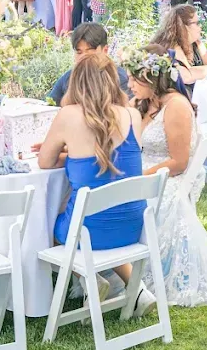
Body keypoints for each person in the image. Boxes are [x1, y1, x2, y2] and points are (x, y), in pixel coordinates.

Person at [37, 52, 156, 315]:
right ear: (113, 81)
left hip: (88, 232)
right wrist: (75, 155)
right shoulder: (132, 115)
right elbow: (111, 157)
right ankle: (136, 290)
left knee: (49, 222)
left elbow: (44, 162)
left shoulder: (68, 114)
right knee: (96, 216)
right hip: (131, 227)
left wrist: (66, 154)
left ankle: (91, 280)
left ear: (77, 82)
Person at [127, 46, 207, 308]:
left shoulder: (176, 105)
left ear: (152, 77)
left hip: (168, 174)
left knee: (144, 199)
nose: (129, 84)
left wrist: (141, 176)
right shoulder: (138, 103)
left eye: (135, 78)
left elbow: (178, 162)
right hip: (141, 170)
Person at [152, 4, 207, 92]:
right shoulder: (171, 48)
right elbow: (187, 76)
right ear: (184, 27)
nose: (200, 27)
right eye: (197, 23)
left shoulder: (196, 43)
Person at [46, 22, 131, 105]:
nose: (83, 58)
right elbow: (50, 105)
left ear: (105, 50)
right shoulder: (68, 77)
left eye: (89, 54)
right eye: (79, 53)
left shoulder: (119, 78)